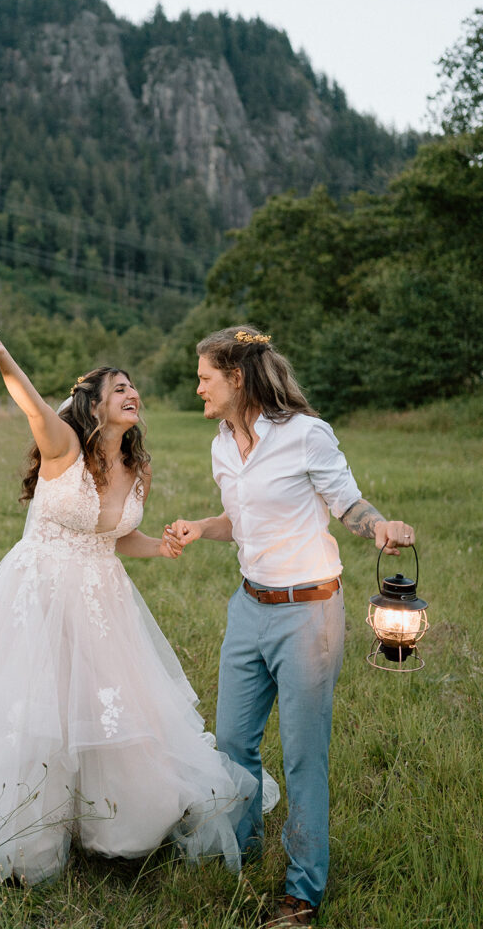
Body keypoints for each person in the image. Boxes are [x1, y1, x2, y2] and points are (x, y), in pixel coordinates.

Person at [0, 322, 279, 885]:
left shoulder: (140, 468)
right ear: (93, 406)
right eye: (118, 390)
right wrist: (4, 356)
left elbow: (113, 537)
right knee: (41, 708)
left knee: (107, 707)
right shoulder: (62, 446)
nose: (132, 395)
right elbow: (33, 405)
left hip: (103, 596)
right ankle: (28, 832)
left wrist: (161, 545)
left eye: (134, 389)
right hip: (39, 591)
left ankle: (115, 827)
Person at [167, 326, 416, 927]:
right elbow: (242, 517)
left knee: (304, 756)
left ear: (236, 378)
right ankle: (243, 853)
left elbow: (347, 504)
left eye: (205, 377)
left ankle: (303, 889)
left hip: (309, 614)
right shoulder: (223, 444)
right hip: (247, 608)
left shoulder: (307, 435)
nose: (197, 386)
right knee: (232, 745)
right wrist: (204, 526)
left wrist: (380, 526)